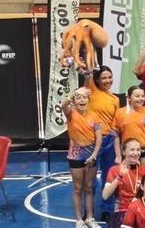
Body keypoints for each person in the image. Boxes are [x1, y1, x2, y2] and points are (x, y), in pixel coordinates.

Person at [63, 87, 103, 228]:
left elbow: (99, 140)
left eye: (84, 97)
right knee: (77, 188)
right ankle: (79, 220)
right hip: (75, 156)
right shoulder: (70, 113)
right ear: (74, 100)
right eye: (78, 97)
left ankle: (90, 218)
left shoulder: (95, 116)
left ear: (88, 100)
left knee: (89, 187)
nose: (81, 100)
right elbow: (63, 105)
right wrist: (71, 95)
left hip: (91, 156)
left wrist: (93, 155)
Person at [88, 65, 120, 222]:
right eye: (104, 78)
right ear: (97, 80)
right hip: (92, 140)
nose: (107, 80)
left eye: (109, 77)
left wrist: (116, 145)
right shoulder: (91, 91)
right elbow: (88, 71)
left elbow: (115, 124)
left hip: (109, 140)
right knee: (90, 178)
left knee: (108, 175)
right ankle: (88, 210)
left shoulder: (115, 99)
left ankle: (106, 209)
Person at [113, 86, 145, 167]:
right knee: (128, 177)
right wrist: (118, 155)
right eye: (137, 96)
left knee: (143, 176)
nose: (141, 98)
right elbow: (116, 135)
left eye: (143, 96)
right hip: (128, 151)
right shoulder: (120, 113)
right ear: (129, 98)